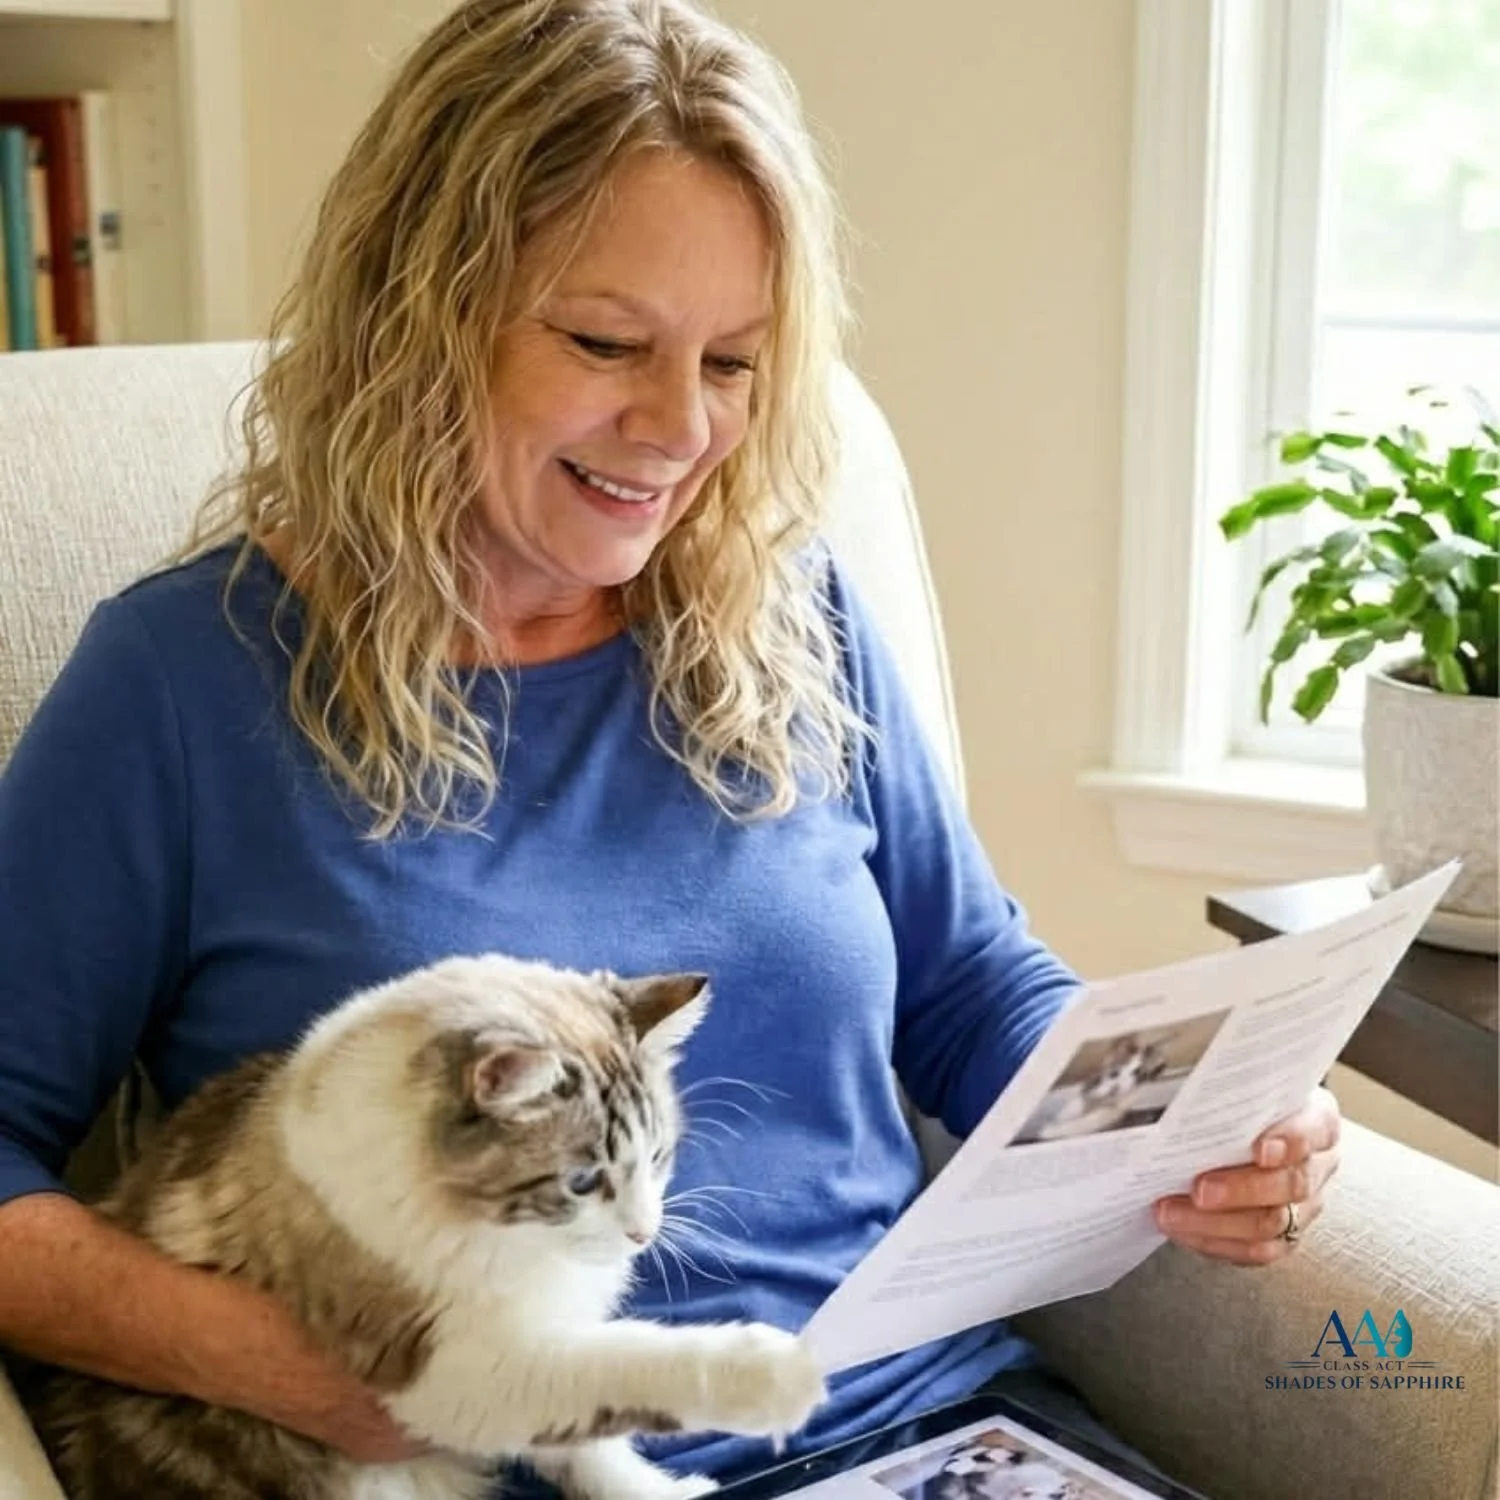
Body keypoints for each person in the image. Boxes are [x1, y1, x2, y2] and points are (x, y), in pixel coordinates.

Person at [0, 0, 1342, 1493]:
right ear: (416, 315)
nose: (679, 428)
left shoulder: (794, 614)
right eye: (606, 341)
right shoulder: (185, 684)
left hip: (931, 1434)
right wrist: (283, 1368)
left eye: (736, 362)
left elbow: (970, 990)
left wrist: (1204, 1116)